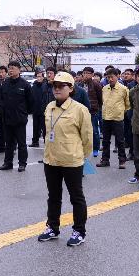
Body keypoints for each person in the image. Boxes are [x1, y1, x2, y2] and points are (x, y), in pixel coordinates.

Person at [36, 72, 92, 247]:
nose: (57, 89)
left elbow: (88, 138)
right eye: (55, 86)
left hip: (72, 161)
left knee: (76, 197)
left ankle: (79, 231)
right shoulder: (50, 107)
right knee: (53, 196)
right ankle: (52, 227)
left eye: (62, 86)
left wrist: (80, 155)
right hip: (51, 159)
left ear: (71, 89)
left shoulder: (80, 110)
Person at [0, 60, 33, 172]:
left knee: (21, 143)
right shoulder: (6, 83)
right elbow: (1, 99)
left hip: (20, 119)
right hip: (7, 118)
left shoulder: (25, 84)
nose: (11, 70)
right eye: (10, 68)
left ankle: (22, 163)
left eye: (13, 68)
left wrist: (24, 113)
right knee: (9, 143)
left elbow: (30, 102)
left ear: (19, 70)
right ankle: (8, 163)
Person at [96, 68, 130, 169]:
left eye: (112, 77)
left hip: (118, 118)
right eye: (108, 77)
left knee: (120, 140)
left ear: (117, 76)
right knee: (106, 140)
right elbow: (103, 101)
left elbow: (128, 104)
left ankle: (122, 160)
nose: (110, 79)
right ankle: (105, 160)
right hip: (106, 117)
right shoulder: (104, 88)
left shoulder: (123, 89)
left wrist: (120, 111)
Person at [80, 66, 103, 156]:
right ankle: (82, 148)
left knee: (94, 130)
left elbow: (100, 99)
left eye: (87, 73)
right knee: (81, 130)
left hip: (93, 111)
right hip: (81, 111)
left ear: (92, 75)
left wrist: (97, 108)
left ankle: (95, 148)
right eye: (84, 73)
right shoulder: (80, 84)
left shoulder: (96, 84)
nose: (85, 75)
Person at [29, 70, 48, 147]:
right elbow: (31, 98)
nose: (38, 78)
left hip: (44, 110)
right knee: (35, 127)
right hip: (36, 110)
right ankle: (35, 142)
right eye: (37, 76)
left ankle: (46, 143)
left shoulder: (46, 85)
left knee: (45, 128)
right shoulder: (34, 86)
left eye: (40, 76)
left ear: (43, 77)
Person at [122, 68, 137, 160]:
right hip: (127, 112)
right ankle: (131, 152)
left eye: (128, 74)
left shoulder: (132, 85)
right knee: (129, 133)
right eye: (125, 74)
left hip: (135, 113)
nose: (126, 75)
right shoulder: (123, 84)